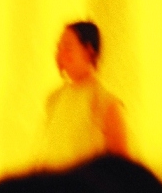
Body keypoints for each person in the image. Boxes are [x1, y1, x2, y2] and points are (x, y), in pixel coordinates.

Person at [39, 21, 128, 171]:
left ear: (88, 51)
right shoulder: (54, 98)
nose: (60, 54)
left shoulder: (107, 103)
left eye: (67, 47)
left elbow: (121, 168)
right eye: (59, 47)